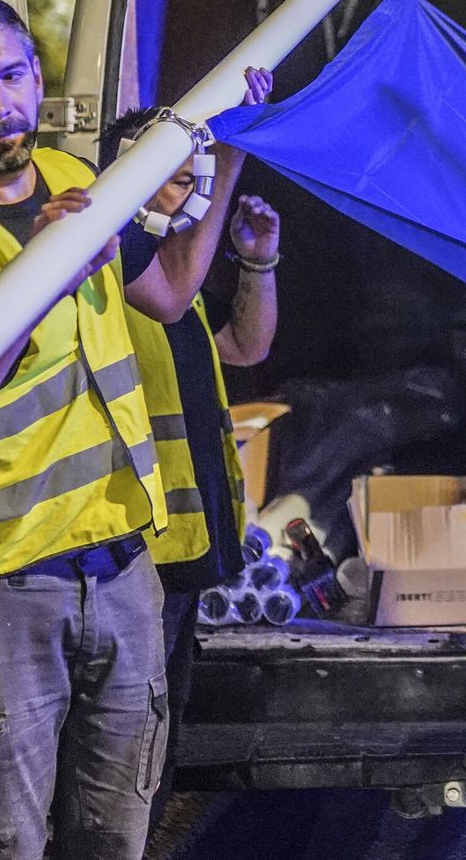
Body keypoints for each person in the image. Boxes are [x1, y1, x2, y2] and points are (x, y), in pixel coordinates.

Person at [0, 0, 241, 859]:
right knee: (2, 844)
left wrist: (237, 153)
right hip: (1, 594)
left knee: (114, 837)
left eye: (13, 76)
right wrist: (39, 275)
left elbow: (169, 293)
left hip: (125, 574)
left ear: (36, 76)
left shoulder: (73, 182)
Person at [104, 98, 281, 834]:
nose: (181, 192)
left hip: (187, 541)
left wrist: (259, 259)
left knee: (158, 722)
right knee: (124, 726)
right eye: (166, 176)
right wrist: (230, 147)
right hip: (134, 545)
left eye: (189, 178)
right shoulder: (114, 253)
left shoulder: (174, 264)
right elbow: (173, 303)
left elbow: (247, 345)